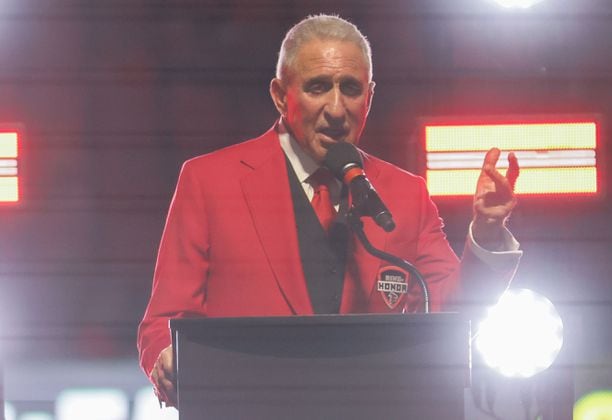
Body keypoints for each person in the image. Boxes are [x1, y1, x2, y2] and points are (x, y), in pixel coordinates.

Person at [138, 14, 522, 407]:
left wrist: (488, 232)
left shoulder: (406, 194)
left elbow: (455, 314)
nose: (336, 109)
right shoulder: (209, 181)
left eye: (350, 89)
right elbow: (163, 321)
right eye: (318, 87)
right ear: (279, 94)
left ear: (369, 97)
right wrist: (166, 358)